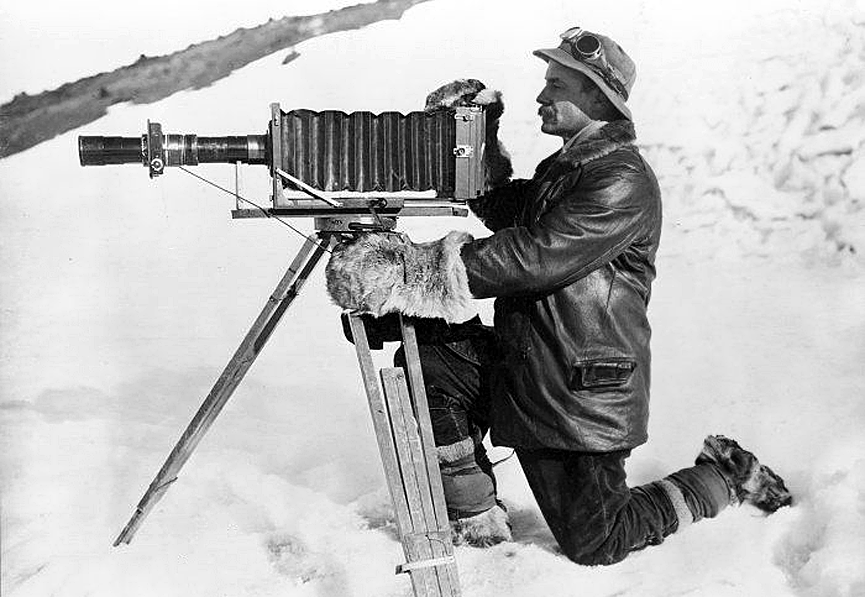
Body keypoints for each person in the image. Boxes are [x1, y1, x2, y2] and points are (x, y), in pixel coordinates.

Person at [326, 27, 792, 564]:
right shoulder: (569, 167)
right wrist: (476, 140)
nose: (541, 97)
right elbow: (510, 213)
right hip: (529, 364)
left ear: (597, 97)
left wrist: (408, 271)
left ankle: (722, 479)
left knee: (598, 542)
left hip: (576, 388)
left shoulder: (621, 179)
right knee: (429, 359)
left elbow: (536, 253)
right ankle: (476, 515)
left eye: (555, 85)